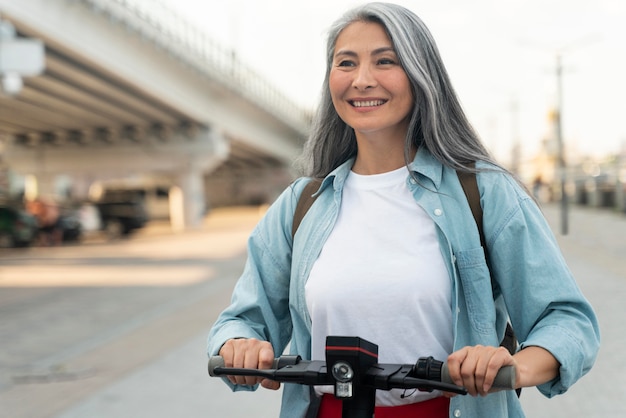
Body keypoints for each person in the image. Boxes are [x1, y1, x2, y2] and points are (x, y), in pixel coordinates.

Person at [207, 3, 600, 417]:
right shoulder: (301, 204)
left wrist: (511, 367)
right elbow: (240, 322)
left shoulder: (485, 193)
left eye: (385, 61)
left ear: (420, 74)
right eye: (346, 63)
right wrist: (240, 345)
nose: (362, 80)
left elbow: (568, 320)